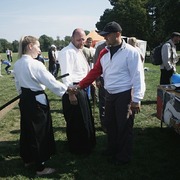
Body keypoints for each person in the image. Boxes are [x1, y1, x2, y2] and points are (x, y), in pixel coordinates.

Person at [72, 21, 146, 165]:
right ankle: (112, 149)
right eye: (104, 35)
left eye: (107, 35)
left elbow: (138, 76)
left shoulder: (131, 52)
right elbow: (95, 71)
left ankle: (124, 156)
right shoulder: (105, 51)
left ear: (118, 35)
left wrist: (136, 99)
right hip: (109, 93)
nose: (104, 38)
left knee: (124, 126)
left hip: (125, 94)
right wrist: (80, 86)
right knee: (110, 124)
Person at [13, 35, 70, 176]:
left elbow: (18, 85)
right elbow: (50, 81)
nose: (40, 50)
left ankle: (28, 159)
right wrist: (67, 90)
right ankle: (40, 167)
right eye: (38, 46)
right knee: (39, 133)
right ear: (30, 46)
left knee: (27, 130)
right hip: (36, 101)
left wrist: (24, 94)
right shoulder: (35, 64)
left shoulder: (18, 63)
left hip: (25, 99)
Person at [58, 28, 96, 155]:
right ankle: (78, 148)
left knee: (84, 119)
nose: (81, 42)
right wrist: (71, 94)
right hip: (73, 89)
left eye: (83, 39)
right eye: (78, 39)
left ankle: (86, 144)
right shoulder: (67, 52)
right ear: (72, 39)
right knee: (77, 121)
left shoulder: (79, 51)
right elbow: (66, 75)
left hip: (81, 88)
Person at [93, 41, 107, 132]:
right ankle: (104, 124)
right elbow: (96, 65)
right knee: (103, 103)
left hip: (116, 80)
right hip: (103, 79)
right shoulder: (100, 48)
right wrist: (97, 79)